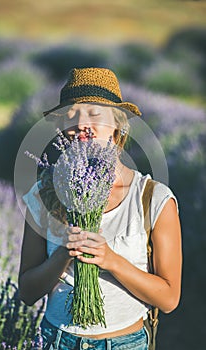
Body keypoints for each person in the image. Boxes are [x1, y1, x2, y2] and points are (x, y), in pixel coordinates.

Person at [18, 67, 182, 350]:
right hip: (56, 341)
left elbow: (168, 298)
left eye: (95, 113)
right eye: (71, 115)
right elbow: (27, 291)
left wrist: (110, 260)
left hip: (125, 344)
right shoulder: (43, 194)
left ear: (118, 126)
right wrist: (62, 256)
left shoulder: (153, 199)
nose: (82, 123)